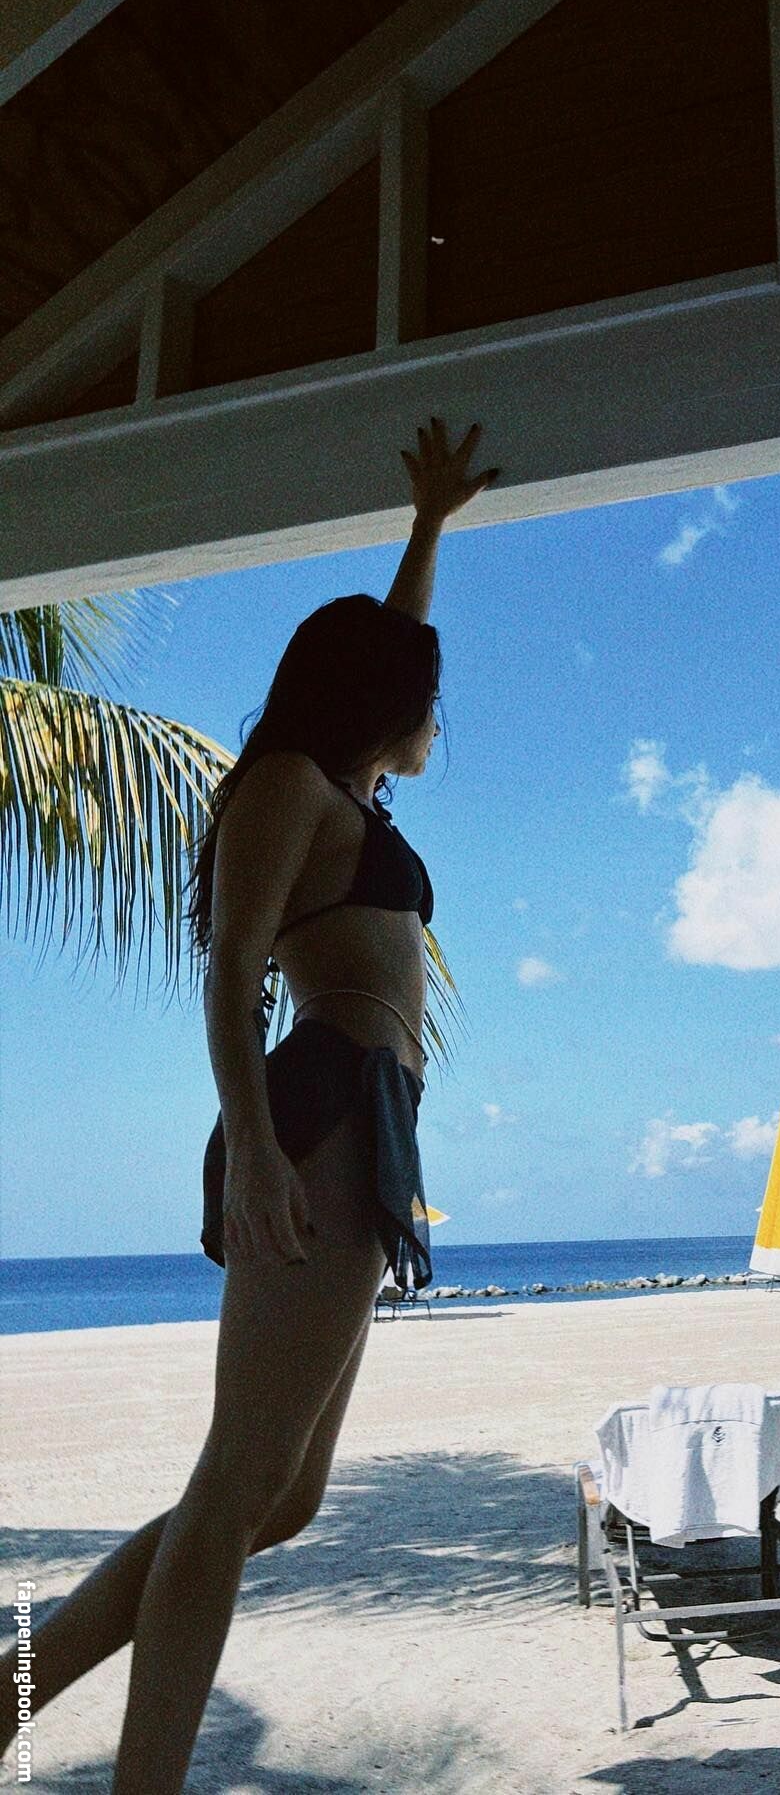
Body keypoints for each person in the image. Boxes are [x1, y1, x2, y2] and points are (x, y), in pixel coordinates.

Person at [0, 418, 499, 1793]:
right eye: (427, 700)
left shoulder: (347, 783)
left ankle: (5, 1689)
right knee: (236, 1488)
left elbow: (392, 648)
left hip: (367, 1125)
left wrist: (429, 528)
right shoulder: (286, 786)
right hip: (318, 1115)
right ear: (377, 703)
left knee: (279, 1497)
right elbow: (229, 968)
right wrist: (263, 1157)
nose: (437, 722)